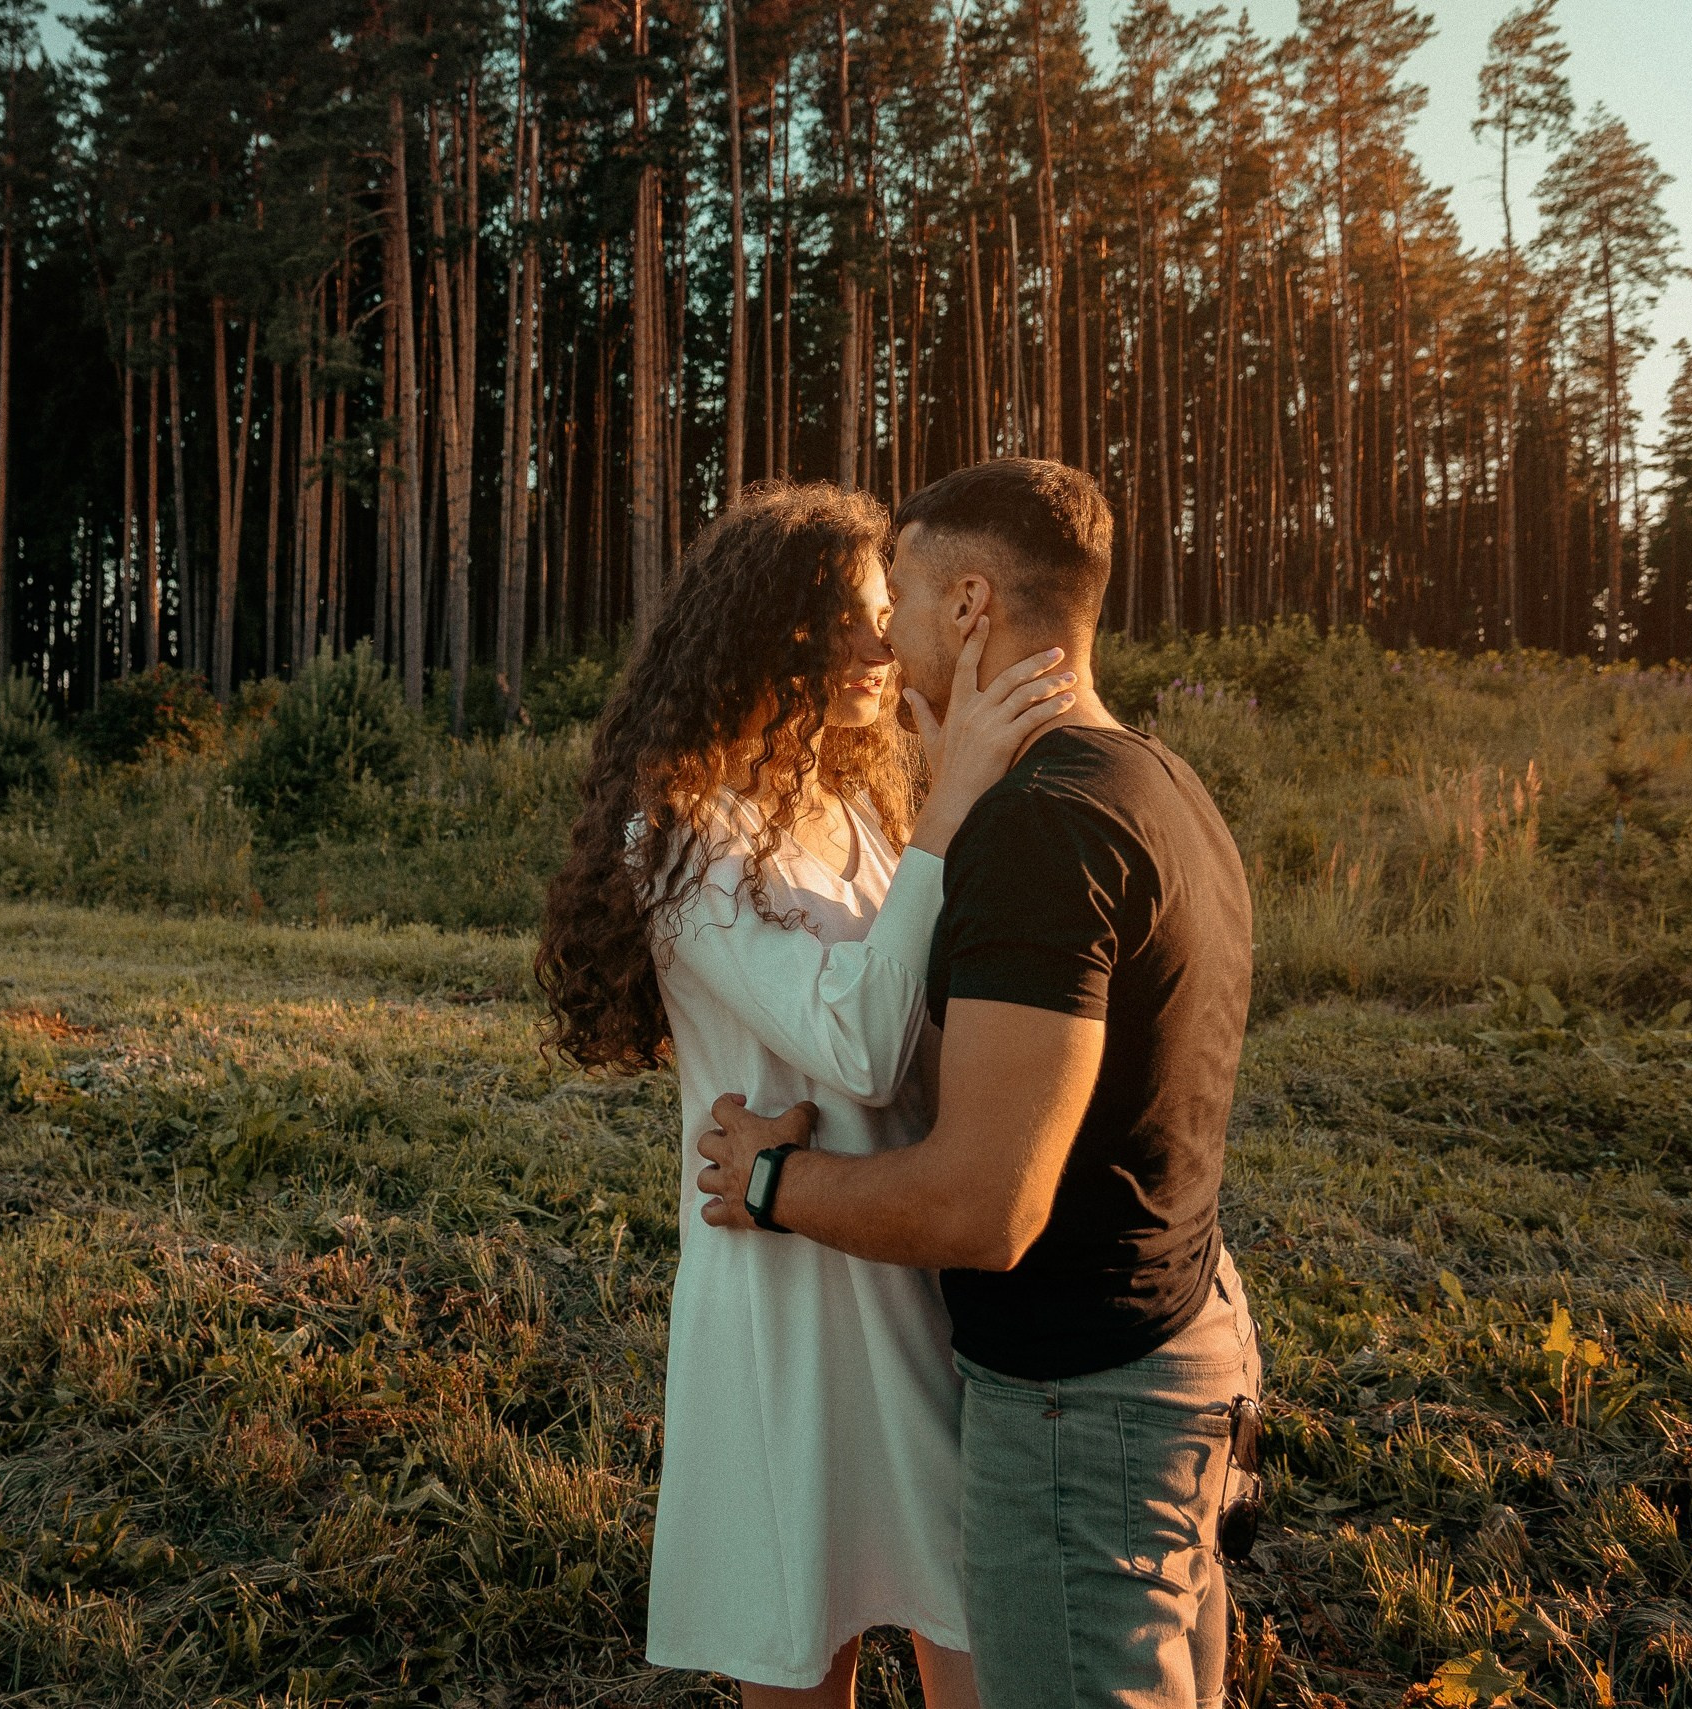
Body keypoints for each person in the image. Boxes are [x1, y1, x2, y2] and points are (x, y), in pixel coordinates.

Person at [697, 459, 1263, 1709]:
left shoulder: (1037, 828)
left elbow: (981, 1208)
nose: (880, 634)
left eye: (894, 592)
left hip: (1087, 1406)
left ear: (965, 606)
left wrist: (773, 1177)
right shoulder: (1150, 778)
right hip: (1182, 1335)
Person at [536, 480, 1076, 1708]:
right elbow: (860, 1042)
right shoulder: (675, 834)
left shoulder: (852, 811)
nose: (882, 643)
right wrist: (950, 802)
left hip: (898, 1252)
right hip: (786, 1296)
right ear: (768, 631)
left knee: (967, 1622)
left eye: (886, 612)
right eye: (851, 616)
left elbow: (927, 1024)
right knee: (805, 1643)